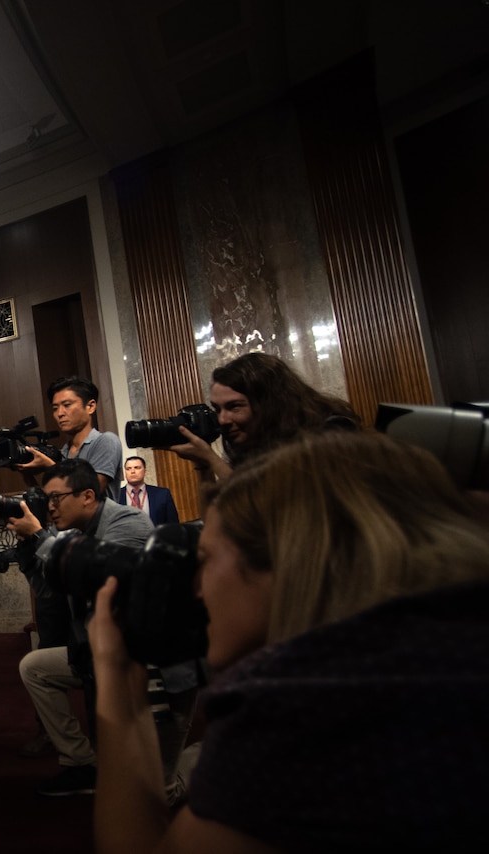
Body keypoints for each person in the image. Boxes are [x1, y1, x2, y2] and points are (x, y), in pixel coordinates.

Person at [91, 431, 489, 852]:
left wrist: (118, 684)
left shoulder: (300, 706)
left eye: (206, 560)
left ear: (288, 561)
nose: (197, 591)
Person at [6, 459, 169, 794]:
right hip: (99, 652)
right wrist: (26, 546)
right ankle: (81, 762)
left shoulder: (127, 521)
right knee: (35, 667)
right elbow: (49, 589)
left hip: (147, 659)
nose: (50, 508)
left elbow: (99, 577)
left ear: (87, 496)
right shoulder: (73, 533)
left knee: (152, 791)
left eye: (55, 498)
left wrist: (38, 535)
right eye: (46, 500)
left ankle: (193, 763)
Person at [170, 351, 358, 482]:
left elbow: (271, 508)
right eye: (217, 409)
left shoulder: (333, 432)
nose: (222, 420)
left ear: (270, 402)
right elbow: (219, 520)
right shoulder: (247, 446)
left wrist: (211, 459)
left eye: (234, 407)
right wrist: (203, 465)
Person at [18, 376, 122, 501]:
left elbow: (90, 492)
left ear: (90, 406)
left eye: (67, 405)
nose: (60, 413)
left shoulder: (106, 441)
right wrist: (27, 475)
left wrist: (51, 467)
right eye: (55, 408)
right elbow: (56, 504)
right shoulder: (63, 453)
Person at [116, 455, 179, 525]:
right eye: (128, 469)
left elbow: (173, 524)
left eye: (137, 468)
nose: (132, 471)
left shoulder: (162, 494)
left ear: (145, 472)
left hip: (155, 535)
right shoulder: (116, 495)